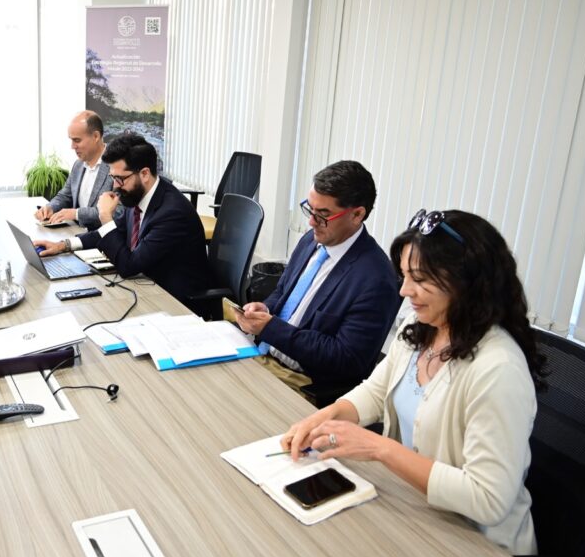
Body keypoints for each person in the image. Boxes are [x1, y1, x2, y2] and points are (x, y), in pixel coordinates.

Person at [280, 209, 543, 555]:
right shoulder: (420, 327)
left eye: (419, 279)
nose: (405, 291)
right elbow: (376, 392)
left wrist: (379, 448)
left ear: (466, 282)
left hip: (478, 547)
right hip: (414, 510)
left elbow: (488, 499)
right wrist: (324, 417)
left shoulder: (498, 370)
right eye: (404, 276)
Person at [235, 160, 401, 396]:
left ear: (357, 214)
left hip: (301, 382)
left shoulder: (376, 279)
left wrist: (272, 328)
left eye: (323, 215)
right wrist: (265, 308)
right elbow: (282, 292)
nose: (311, 222)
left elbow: (346, 358)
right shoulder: (312, 240)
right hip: (260, 354)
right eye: (310, 209)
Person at [33, 133, 215, 318]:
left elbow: (128, 266)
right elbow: (113, 231)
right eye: (113, 177)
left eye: (120, 178)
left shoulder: (172, 213)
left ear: (144, 174)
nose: (115, 186)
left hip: (177, 304)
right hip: (146, 287)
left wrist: (105, 216)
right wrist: (63, 245)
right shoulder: (137, 195)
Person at [34, 111, 119, 230]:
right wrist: (50, 207)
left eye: (77, 140)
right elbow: (65, 196)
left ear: (96, 136)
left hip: (102, 238)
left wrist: (76, 214)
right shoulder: (78, 165)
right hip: (75, 234)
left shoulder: (117, 166)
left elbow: (115, 212)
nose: (72, 146)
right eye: (71, 140)